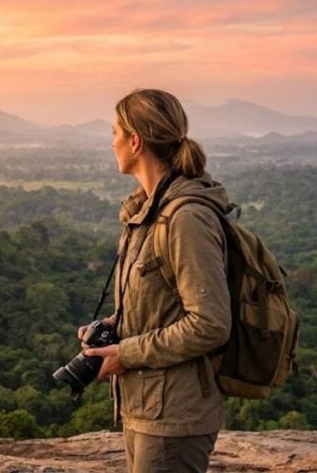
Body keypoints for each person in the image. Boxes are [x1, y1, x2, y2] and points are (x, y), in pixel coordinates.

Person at [80, 88, 232, 472]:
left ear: (135, 140)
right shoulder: (146, 211)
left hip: (173, 417)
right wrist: (116, 326)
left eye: (115, 132)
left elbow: (211, 323)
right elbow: (164, 303)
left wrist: (125, 353)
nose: (111, 142)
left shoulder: (185, 218)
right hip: (146, 407)